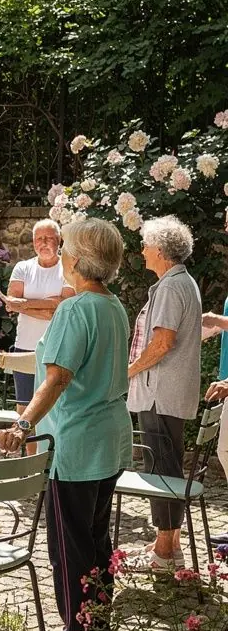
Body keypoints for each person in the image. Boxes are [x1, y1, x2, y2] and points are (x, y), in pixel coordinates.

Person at [0, 217, 133, 631]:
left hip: (76, 447)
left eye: (66, 247)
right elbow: (51, 360)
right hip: (109, 442)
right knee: (97, 541)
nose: (62, 254)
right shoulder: (112, 306)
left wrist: (21, 425)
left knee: (69, 549)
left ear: (79, 259)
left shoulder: (74, 308)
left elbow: (57, 377)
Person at [126, 216, 202, 573]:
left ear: (159, 250)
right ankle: (168, 543)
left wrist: (127, 373)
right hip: (169, 392)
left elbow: (162, 343)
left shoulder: (172, 288)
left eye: (145, 244)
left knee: (159, 470)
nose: (141, 251)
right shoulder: (179, 282)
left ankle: (163, 553)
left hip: (160, 393)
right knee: (166, 466)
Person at [0, 219, 74, 417]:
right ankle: (28, 449)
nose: (44, 242)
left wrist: (23, 304)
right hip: (24, 345)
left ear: (59, 241)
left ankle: (52, 449)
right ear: (33, 242)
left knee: (56, 410)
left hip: (57, 349)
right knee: (25, 410)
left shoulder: (68, 269)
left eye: (49, 238)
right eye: (39, 238)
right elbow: (11, 301)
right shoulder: (22, 268)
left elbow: (63, 304)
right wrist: (46, 309)